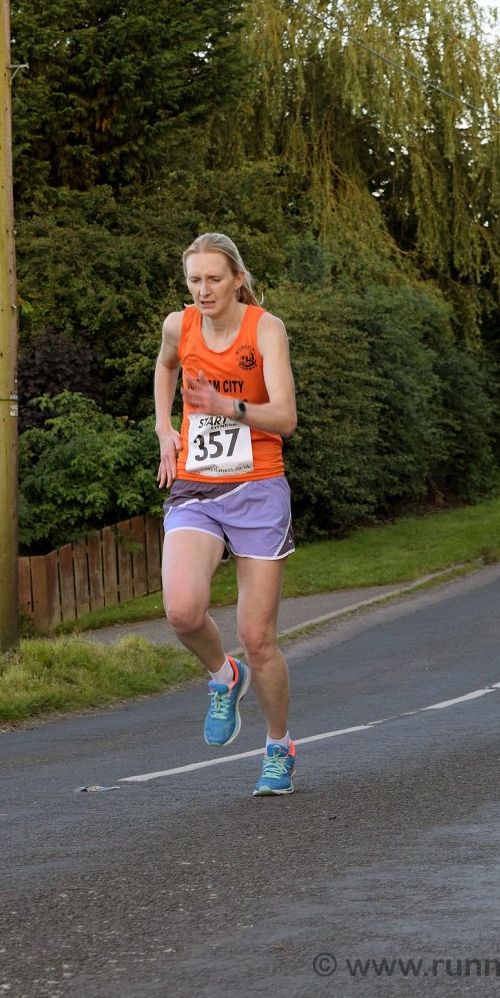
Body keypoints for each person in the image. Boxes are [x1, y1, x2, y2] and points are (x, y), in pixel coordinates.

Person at [154, 232, 298, 796]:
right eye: (194, 280)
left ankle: (279, 746)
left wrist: (228, 407)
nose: (203, 290)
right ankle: (222, 674)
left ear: (237, 278)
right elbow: (165, 366)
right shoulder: (179, 325)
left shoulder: (265, 329)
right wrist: (164, 427)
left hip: (258, 487)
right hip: (196, 485)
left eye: (214, 278)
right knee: (182, 611)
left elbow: (285, 417)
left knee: (257, 637)